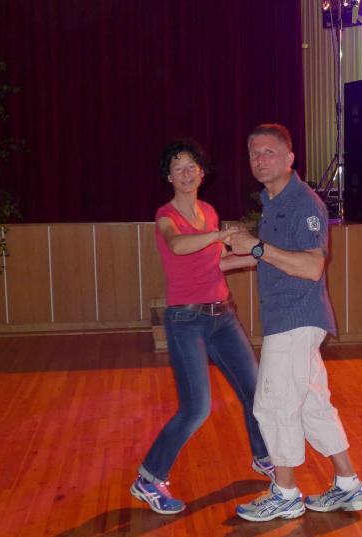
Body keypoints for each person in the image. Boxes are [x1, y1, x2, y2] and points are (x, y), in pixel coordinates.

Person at [227, 123, 362, 522]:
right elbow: (270, 255)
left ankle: (285, 493)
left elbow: (311, 266)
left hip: (295, 319)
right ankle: (348, 485)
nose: (260, 160)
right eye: (254, 153)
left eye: (269, 152)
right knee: (312, 405)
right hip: (293, 320)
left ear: (290, 158)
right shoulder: (273, 201)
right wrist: (224, 261)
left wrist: (256, 247)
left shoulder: (303, 203)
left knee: (273, 405)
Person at [130, 139, 274, 515]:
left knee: (255, 392)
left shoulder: (208, 212)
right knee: (196, 409)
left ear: (202, 172)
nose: (186, 173)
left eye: (191, 166)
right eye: (178, 168)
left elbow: (217, 263)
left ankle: (263, 456)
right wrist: (220, 235)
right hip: (185, 321)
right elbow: (179, 246)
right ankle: (149, 478)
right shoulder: (166, 216)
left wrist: (258, 256)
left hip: (222, 316)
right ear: (168, 177)